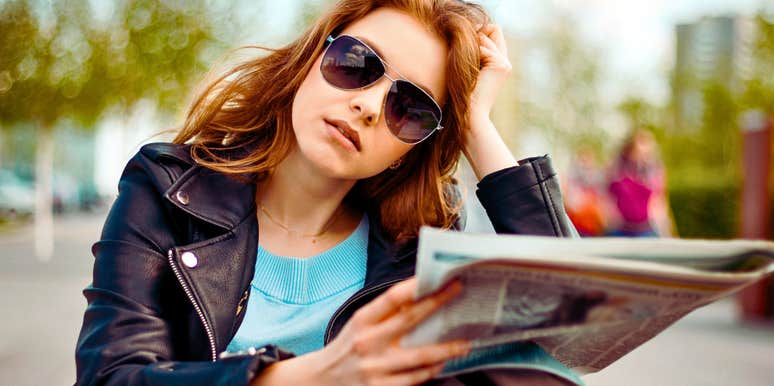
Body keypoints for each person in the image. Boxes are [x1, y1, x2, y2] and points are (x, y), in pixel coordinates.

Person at [74, 1, 579, 385]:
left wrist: (474, 127)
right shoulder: (166, 190)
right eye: (358, 64)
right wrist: (323, 373)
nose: (370, 107)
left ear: (411, 150)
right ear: (313, 57)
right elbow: (111, 374)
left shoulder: (418, 246)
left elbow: (571, 337)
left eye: (412, 108)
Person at [606, 129, 675, 237]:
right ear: (630, 149)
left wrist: (666, 230)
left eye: (647, 152)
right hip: (619, 228)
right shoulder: (617, 169)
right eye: (639, 150)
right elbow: (607, 195)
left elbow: (660, 200)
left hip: (647, 228)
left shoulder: (655, 170)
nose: (643, 156)